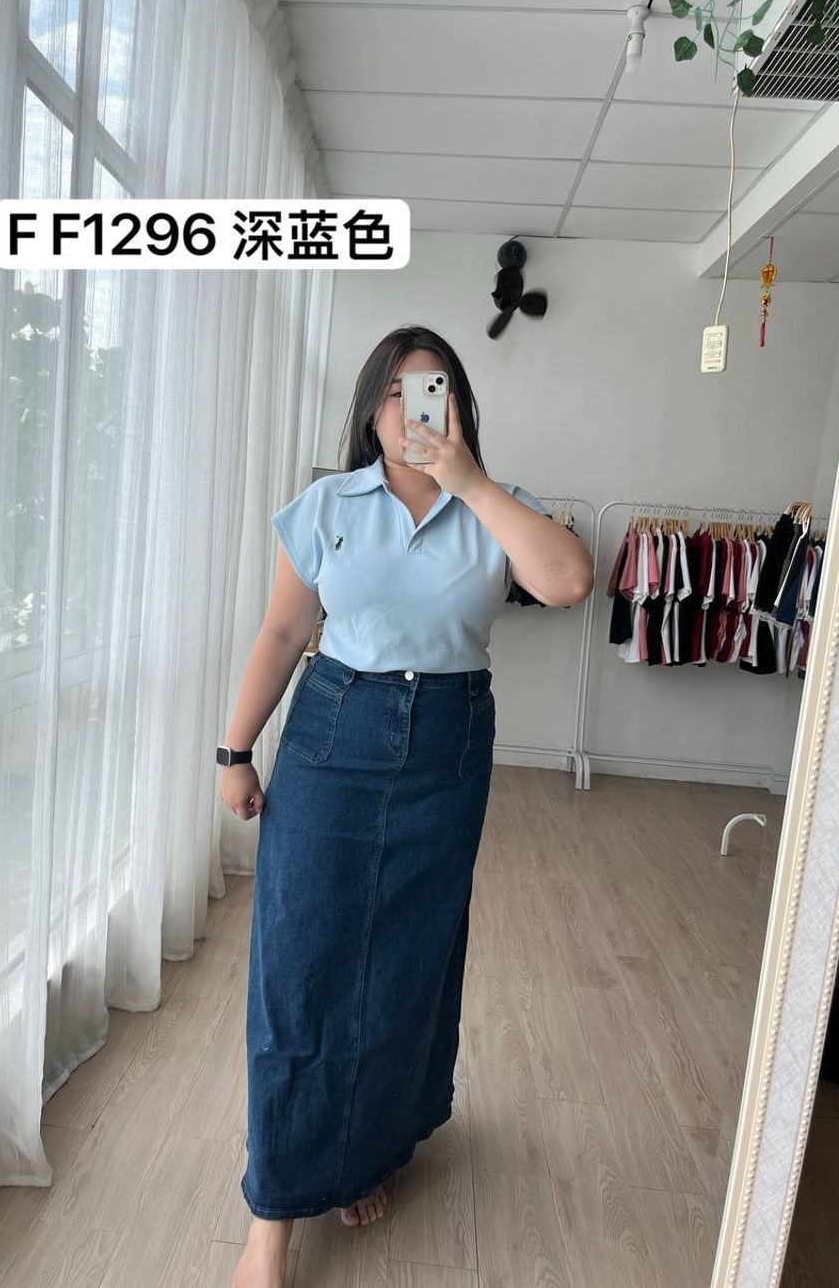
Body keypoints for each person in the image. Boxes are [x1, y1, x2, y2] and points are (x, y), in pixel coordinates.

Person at [221, 326, 593, 1288]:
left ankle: (367, 1147)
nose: (410, 407)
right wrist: (234, 749)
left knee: (407, 964)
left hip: (447, 747)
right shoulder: (327, 506)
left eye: (431, 388)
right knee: (299, 962)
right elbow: (282, 631)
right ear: (369, 408)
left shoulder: (496, 508)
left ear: (458, 405)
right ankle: (272, 1213)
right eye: (393, 390)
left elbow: (567, 581)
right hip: (334, 731)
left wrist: (469, 481)